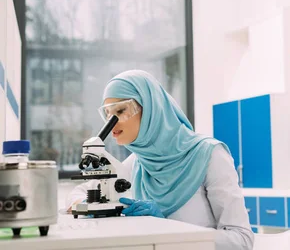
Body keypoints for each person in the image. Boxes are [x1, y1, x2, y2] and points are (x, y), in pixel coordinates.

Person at [67, 70, 254, 250]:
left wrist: (169, 228)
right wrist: (88, 205)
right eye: (107, 114)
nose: (111, 123)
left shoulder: (210, 155)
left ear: (150, 109)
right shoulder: (139, 162)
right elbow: (78, 193)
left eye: (120, 110)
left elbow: (241, 240)